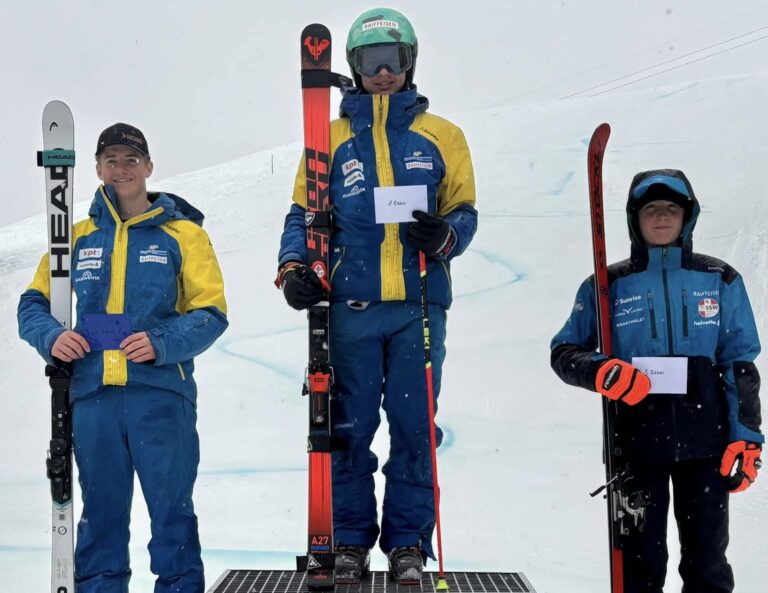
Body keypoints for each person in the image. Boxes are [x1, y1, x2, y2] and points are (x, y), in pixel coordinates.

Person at [276, 7, 477, 585]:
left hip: (417, 307)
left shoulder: (443, 136)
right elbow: (303, 212)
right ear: (354, 68)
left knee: (416, 428)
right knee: (348, 428)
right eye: (369, 62)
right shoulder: (331, 138)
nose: (382, 73)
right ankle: (351, 541)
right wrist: (294, 267)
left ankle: (410, 542)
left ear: (410, 63)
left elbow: (464, 209)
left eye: (392, 61)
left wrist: (447, 235)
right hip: (352, 309)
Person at [18, 123, 228, 593]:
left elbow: (210, 313)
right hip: (93, 398)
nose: (121, 169)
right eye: (111, 160)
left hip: (160, 396)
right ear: (96, 168)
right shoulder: (74, 237)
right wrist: (52, 336)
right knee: (101, 518)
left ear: (149, 167)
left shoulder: (182, 235)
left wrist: (162, 342)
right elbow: (32, 303)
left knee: (171, 514)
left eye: (131, 160)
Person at [550, 169, 762, 593]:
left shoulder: (720, 279)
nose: (662, 217)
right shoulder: (609, 285)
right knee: (640, 562)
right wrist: (602, 371)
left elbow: (739, 362)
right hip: (635, 444)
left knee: (707, 558)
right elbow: (564, 351)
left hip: (707, 443)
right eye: (651, 209)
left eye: (671, 209)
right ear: (635, 219)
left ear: (688, 217)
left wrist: (747, 434)